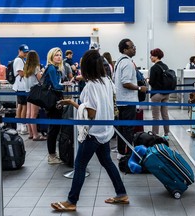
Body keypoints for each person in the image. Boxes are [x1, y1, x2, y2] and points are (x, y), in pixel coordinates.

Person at [51, 49, 128, 212]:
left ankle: (71, 201)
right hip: (106, 130)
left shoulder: (91, 86)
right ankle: (121, 194)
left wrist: (72, 103)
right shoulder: (106, 81)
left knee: (79, 165)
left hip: (94, 133)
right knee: (107, 162)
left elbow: (91, 113)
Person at [114, 38, 147, 159]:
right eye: (132, 47)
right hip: (128, 101)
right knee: (128, 128)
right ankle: (126, 154)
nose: (134, 48)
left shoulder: (119, 61)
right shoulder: (127, 63)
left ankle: (121, 151)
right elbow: (125, 82)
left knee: (122, 127)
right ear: (125, 49)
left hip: (121, 100)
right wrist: (139, 88)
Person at [43, 47, 64, 164]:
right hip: (52, 102)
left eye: (60, 55)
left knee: (55, 128)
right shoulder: (51, 68)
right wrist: (65, 85)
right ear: (51, 56)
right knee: (53, 129)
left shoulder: (56, 69)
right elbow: (56, 86)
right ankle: (51, 155)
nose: (59, 57)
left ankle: (53, 154)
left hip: (55, 100)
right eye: (56, 55)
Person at [23, 50, 46, 141]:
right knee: (34, 114)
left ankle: (31, 133)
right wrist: (42, 72)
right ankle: (36, 135)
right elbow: (40, 79)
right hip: (35, 92)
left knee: (28, 113)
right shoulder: (36, 67)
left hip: (28, 91)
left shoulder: (26, 67)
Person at [148, 48, 170, 139]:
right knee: (165, 114)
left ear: (156, 56)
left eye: (152, 55)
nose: (150, 57)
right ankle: (166, 134)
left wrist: (148, 80)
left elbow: (152, 82)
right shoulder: (165, 66)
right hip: (166, 93)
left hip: (156, 94)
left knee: (155, 116)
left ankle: (154, 135)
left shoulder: (154, 68)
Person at [13, 44, 29, 135]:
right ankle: (23, 126)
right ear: (19, 51)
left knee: (20, 105)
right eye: (24, 52)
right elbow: (22, 74)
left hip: (20, 86)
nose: (25, 53)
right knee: (24, 106)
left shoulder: (20, 60)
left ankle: (19, 125)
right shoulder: (19, 60)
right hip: (21, 86)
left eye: (26, 52)